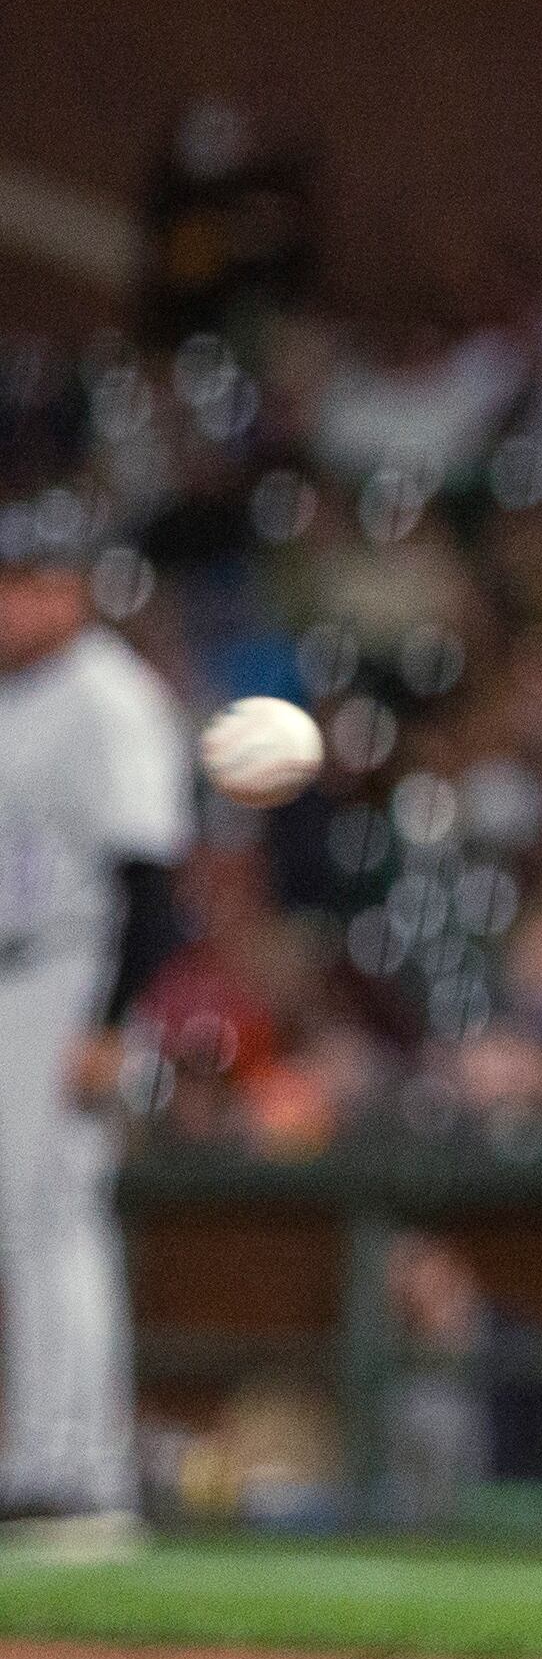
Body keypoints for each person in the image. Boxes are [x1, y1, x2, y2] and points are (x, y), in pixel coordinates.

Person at [0, 492, 194, 1559]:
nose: (10, 603)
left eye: (29, 582)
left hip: (73, 972)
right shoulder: (18, 695)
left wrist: (111, 1022)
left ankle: (80, 1470)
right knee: (23, 1220)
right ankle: (43, 1455)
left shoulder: (110, 698)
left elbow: (153, 888)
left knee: (57, 1212)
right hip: (16, 975)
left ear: (71, 590)